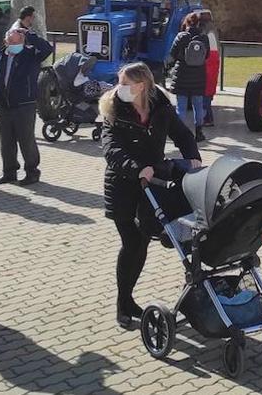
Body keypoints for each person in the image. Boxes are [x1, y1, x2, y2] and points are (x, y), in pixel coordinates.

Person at [100, 62, 202, 329]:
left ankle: (129, 300)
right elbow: (112, 150)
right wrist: (137, 169)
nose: (119, 88)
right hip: (123, 186)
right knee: (131, 244)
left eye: (125, 83)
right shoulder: (113, 109)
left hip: (152, 185)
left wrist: (193, 157)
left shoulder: (160, 106)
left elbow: (181, 133)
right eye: (119, 82)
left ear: (142, 85)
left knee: (143, 243)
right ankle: (123, 303)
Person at [0, 26, 53, 186]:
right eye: (12, 41)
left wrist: (28, 34)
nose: (16, 44)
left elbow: (47, 48)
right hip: (4, 105)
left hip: (24, 105)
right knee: (6, 142)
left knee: (26, 140)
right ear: (6, 41)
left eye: (19, 41)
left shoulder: (30, 55)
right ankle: (9, 172)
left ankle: (32, 172)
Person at [165, 12, 209, 142]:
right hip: (199, 76)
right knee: (198, 107)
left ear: (187, 23)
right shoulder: (204, 38)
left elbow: (172, 55)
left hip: (181, 76)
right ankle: (199, 133)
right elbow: (206, 57)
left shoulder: (181, 36)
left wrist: (168, 68)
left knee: (181, 108)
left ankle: (181, 135)